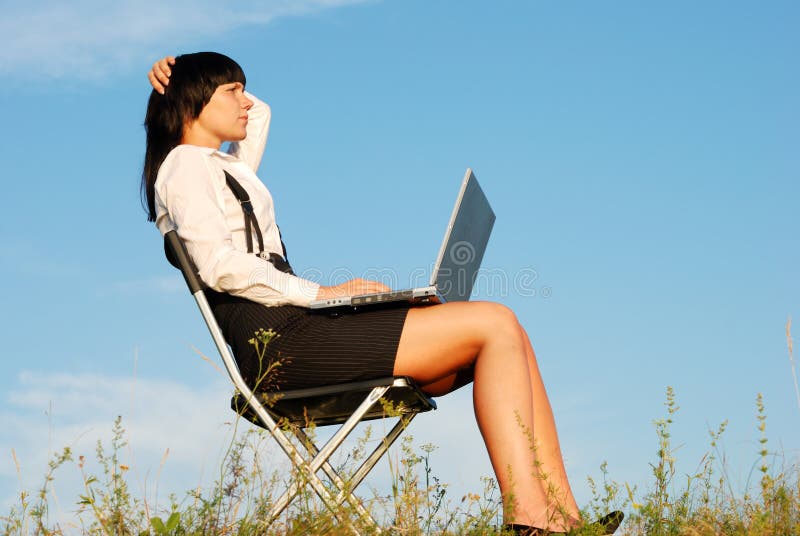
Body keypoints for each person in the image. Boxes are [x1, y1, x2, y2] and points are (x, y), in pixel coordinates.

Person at [142, 52, 621, 536]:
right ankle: (531, 521)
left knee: (510, 329)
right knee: (494, 322)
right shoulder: (183, 167)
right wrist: (321, 293)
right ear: (192, 101)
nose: (246, 102)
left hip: (302, 327)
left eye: (244, 89)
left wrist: (194, 78)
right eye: (232, 92)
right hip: (278, 343)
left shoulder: (224, 164)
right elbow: (220, 267)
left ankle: (563, 519)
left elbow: (261, 115)